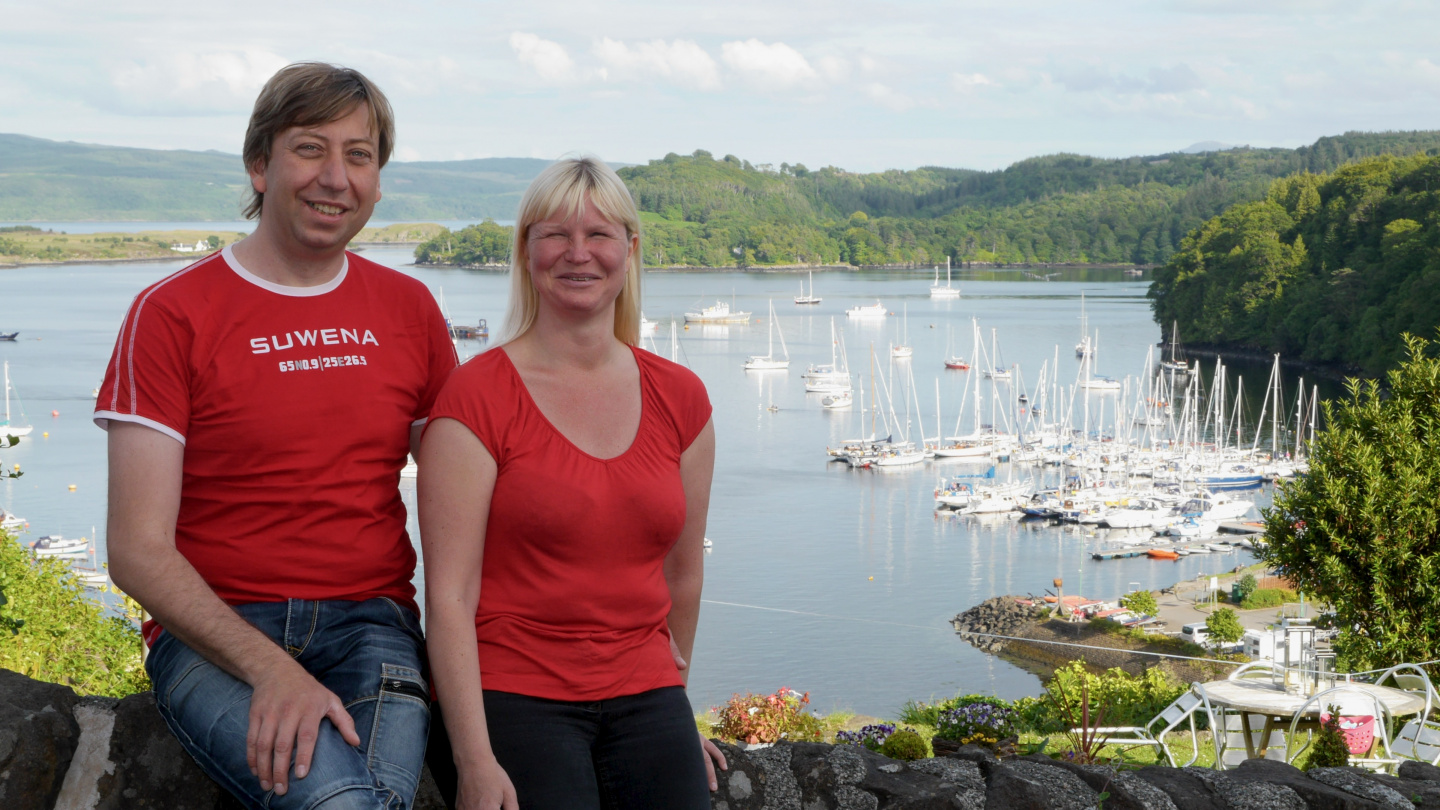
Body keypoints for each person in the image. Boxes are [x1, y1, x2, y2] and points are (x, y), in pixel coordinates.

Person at [96, 62, 456, 809]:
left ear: (379, 180)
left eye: (359, 155)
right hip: (214, 633)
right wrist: (272, 669)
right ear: (260, 165)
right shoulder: (171, 313)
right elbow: (136, 549)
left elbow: (476, 494)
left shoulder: (410, 308)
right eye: (309, 149)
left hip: (370, 625)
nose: (336, 176)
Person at [419, 156, 725, 810]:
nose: (577, 253)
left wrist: (675, 714)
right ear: (527, 252)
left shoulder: (682, 399)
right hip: (513, 691)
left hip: (645, 691)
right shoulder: (475, 399)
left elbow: (684, 576)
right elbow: (448, 596)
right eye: (555, 234)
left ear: (630, 251)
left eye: (600, 235)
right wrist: (473, 759)